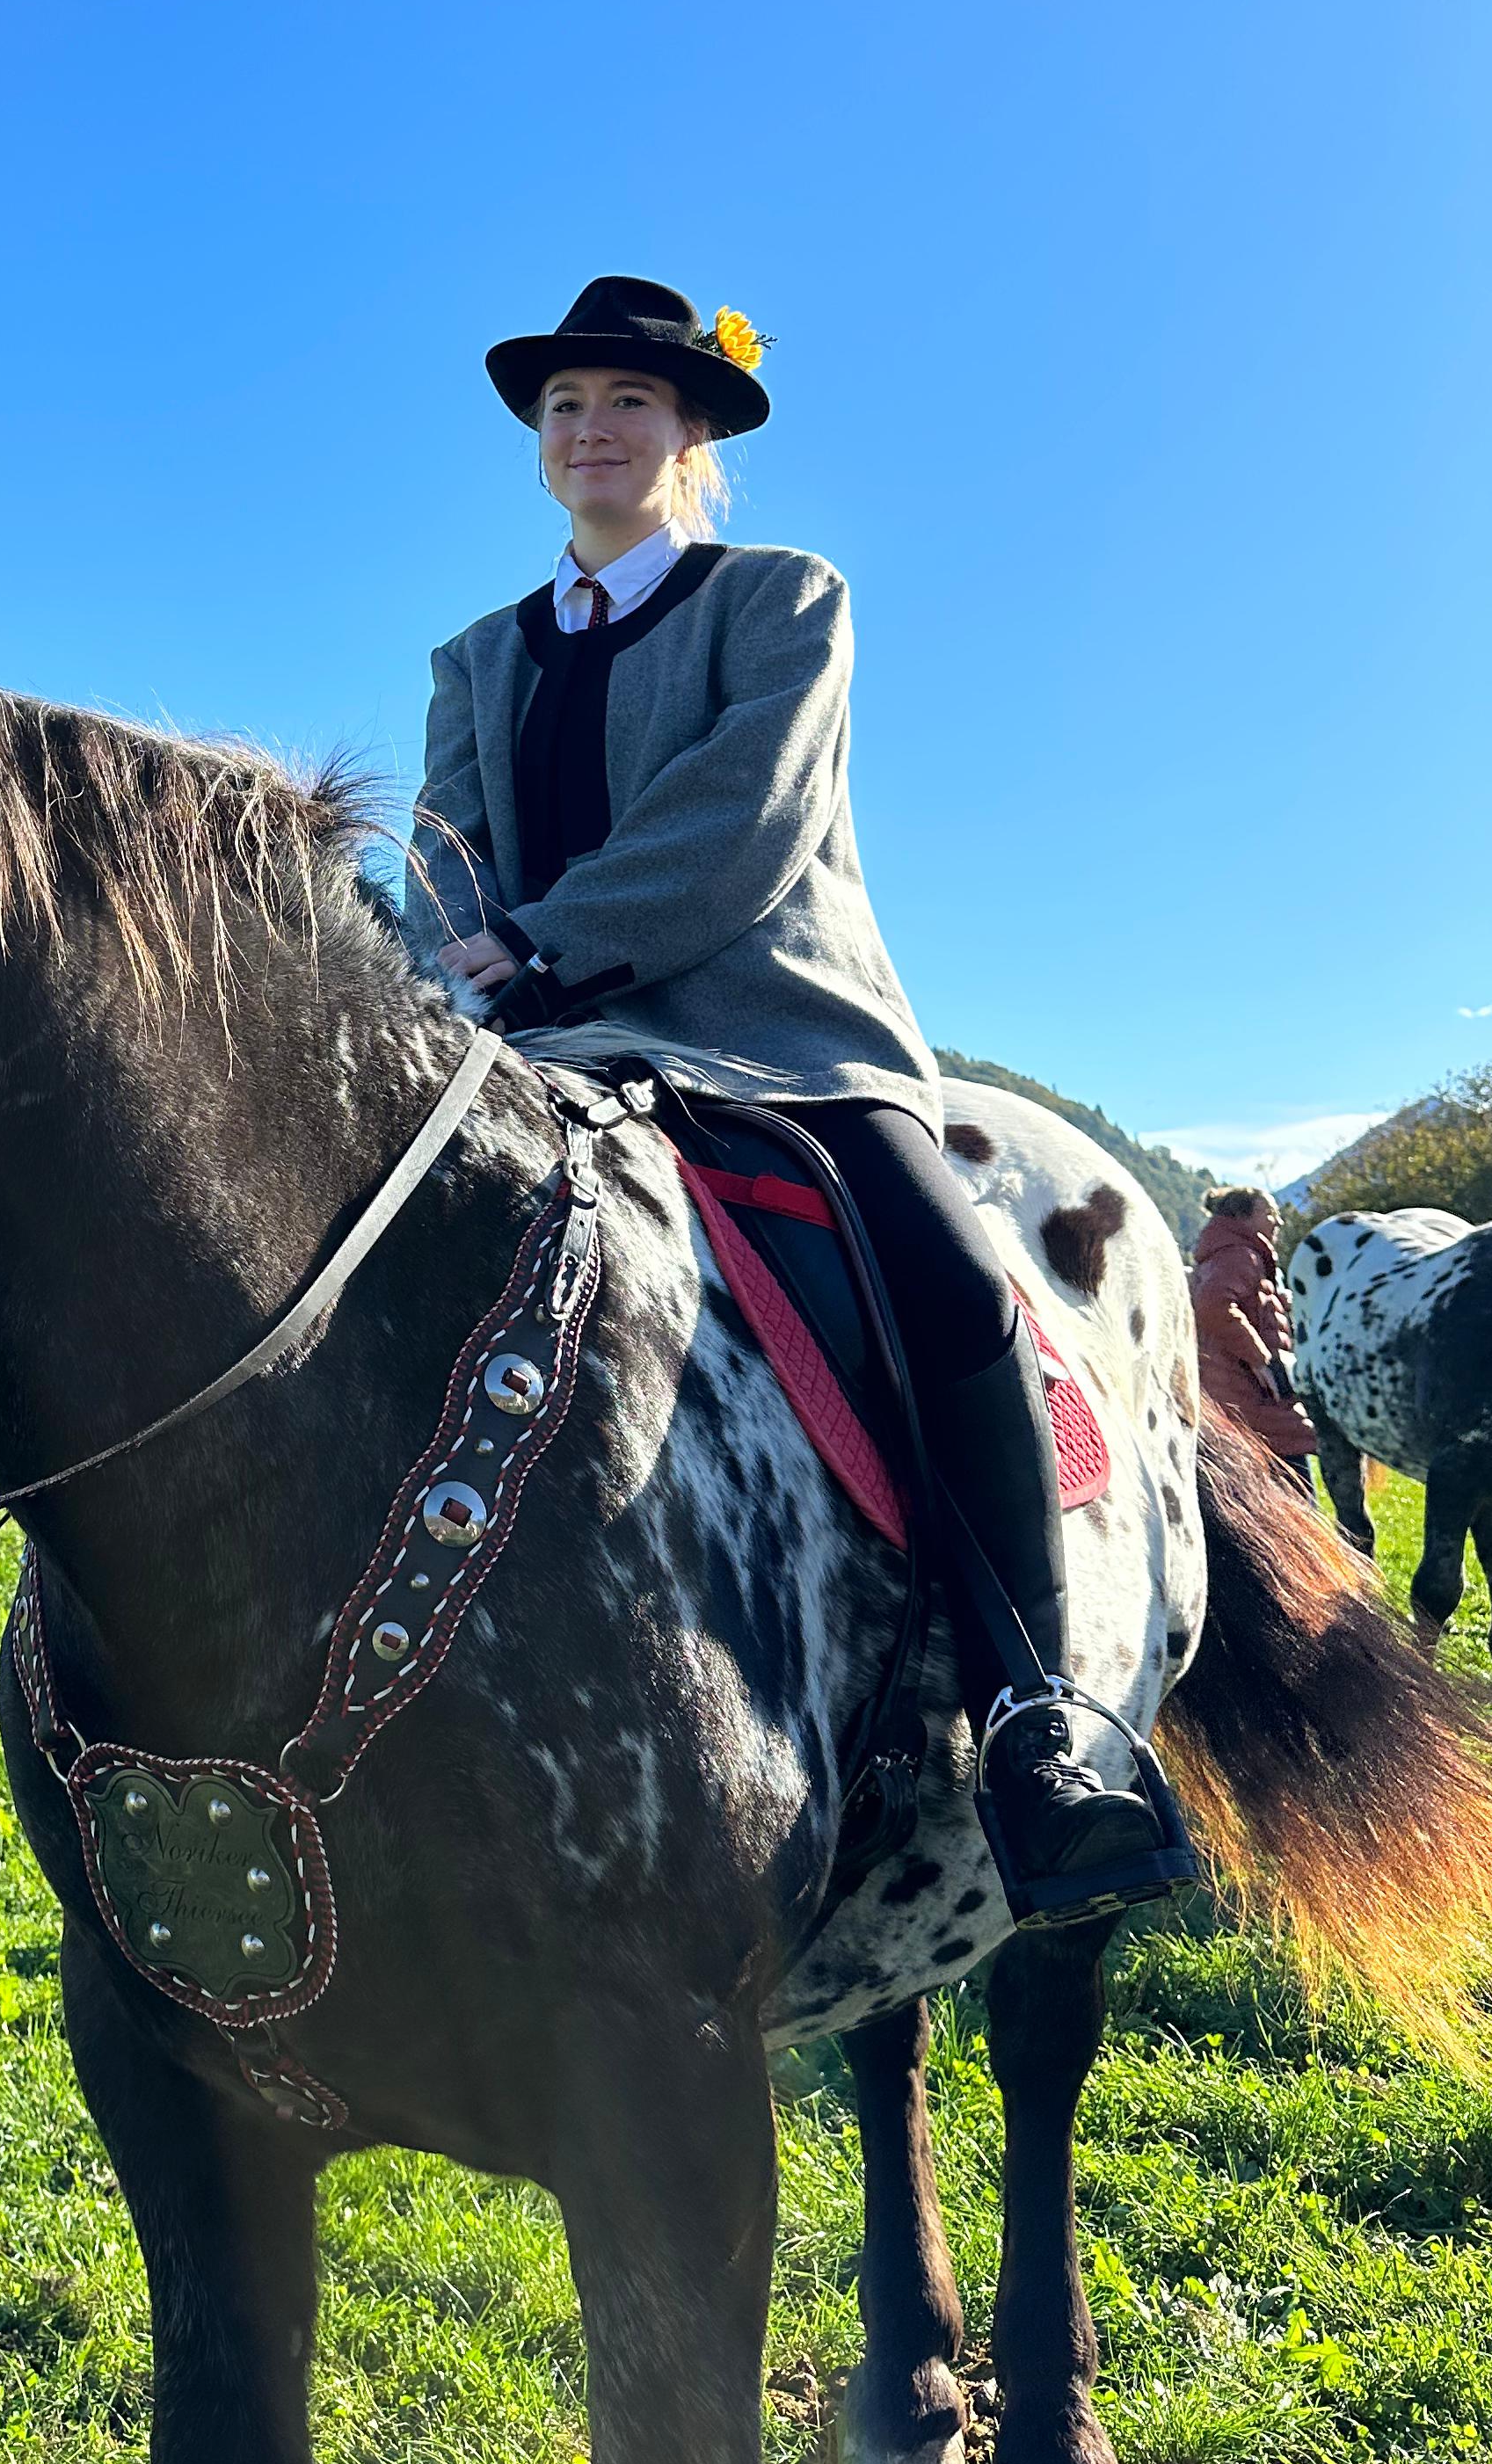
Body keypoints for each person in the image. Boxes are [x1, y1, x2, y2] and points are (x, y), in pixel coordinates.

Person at [404, 273, 1190, 1920]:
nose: (591, 429)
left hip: (779, 1039)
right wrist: (449, 962)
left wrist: (541, 944)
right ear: (538, 445)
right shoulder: (474, 658)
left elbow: (743, 814)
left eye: (627, 401)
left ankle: (1036, 1719)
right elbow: (445, 853)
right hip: (540, 1048)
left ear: (688, 431)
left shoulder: (780, 599)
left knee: (955, 1287)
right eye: (564, 407)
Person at [1190, 1186, 1319, 1492]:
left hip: (1238, 1394)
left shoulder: (1228, 1254)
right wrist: (1260, 1359)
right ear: (1242, 1217)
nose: (1278, 1221)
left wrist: (1273, 1302)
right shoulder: (1240, 1255)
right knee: (1296, 1496)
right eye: (1269, 1213)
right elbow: (1213, 1305)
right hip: (1252, 1397)